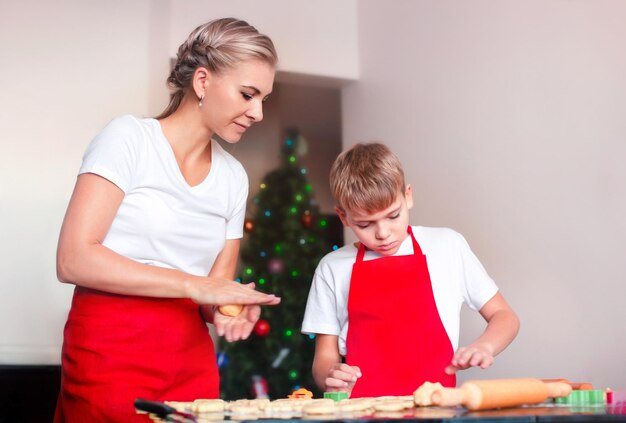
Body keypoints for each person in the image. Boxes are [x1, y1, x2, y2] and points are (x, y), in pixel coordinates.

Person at [54, 18, 280, 422]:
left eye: (263, 98)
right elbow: (73, 258)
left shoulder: (233, 178)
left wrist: (229, 310)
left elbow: (215, 289)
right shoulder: (129, 139)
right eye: (248, 94)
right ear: (203, 81)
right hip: (109, 352)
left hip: (191, 362)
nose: (258, 112)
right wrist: (195, 285)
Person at [301, 143, 520, 398]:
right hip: (361, 412)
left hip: (436, 411)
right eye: (364, 224)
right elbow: (324, 357)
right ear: (343, 216)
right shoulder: (332, 268)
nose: (383, 234)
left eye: (393, 216)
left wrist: (485, 346)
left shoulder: (447, 246)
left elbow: (505, 316)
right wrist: (331, 375)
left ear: (408, 196)